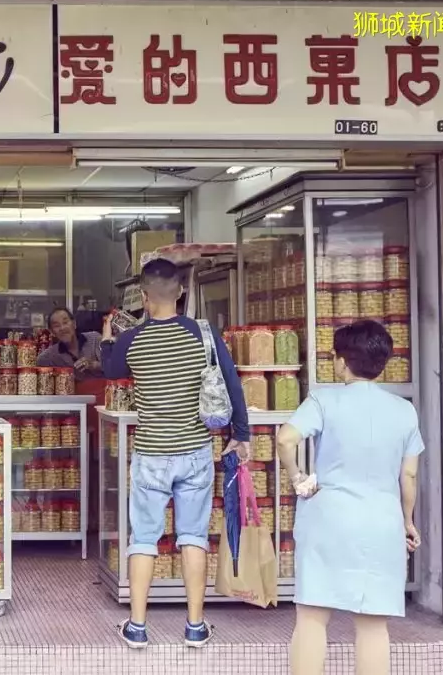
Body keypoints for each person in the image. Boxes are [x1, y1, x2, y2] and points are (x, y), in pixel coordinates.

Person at [100, 258, 249, 649]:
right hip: (195, 450)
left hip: (150, 452)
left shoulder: (133, 340)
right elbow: (231, 383)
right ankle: (195, 626)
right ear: (181, 292)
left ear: (145, 297)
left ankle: (136, 626)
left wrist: (105, 338)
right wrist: (242, 433)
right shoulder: (203, 333)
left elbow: (110, 370)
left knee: (145, 538)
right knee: (193, 536)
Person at [276, 320, 423, 675]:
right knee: (373, 628)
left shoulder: (324, 400)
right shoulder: (404, 411)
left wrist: (298, 478)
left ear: (341, 361)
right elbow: (409, 474)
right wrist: (407, 522)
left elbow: (285, 439)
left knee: (311, 620)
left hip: (328, 520)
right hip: (381, 524)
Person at [36, 307, 104, 381]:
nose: (62, 328)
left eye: (65, 322)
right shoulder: (48, 357)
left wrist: (93, 365)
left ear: (74, 324)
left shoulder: (95, 338)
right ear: (52, 332)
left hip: (101, 390)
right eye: (56, 326)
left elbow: (114, 367)